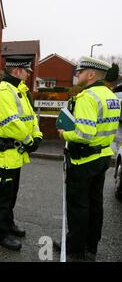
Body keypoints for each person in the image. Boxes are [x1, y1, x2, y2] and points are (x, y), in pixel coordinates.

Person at [56, 57, 120, 260]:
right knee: (95, 203)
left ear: (91, 75)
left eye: (80, 71)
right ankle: (91, 245)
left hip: (83, 160)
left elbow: (84, 133)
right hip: (102, 156)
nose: (77, 74)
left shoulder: (87, 97)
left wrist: (63, 134)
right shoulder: (110, 96)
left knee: (78, 205)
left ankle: (75, 246)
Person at [0, 56, 43, 251]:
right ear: (17, 70)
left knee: (11, 194)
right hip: (6, 153)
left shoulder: (20, 90)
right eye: (26, 70)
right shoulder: (3, 92)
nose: (29, 74)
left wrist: (37, 136)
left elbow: (31, 118)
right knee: (1, 197)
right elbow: (11, 122)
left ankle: (8, 224)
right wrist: (30, 141)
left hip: (16, 153)